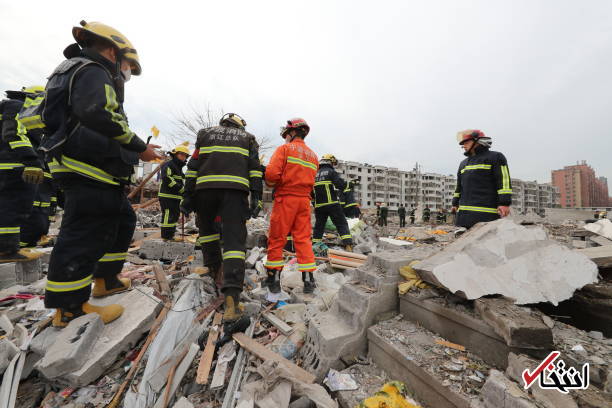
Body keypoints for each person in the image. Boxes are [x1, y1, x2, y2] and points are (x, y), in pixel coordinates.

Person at [42, 21, 162, 327]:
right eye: (127, 66)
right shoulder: (93, 71)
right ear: (112, 51)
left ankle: (106, 280)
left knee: (122, 220)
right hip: (87, 167)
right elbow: (100, 114)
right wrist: (139, 148)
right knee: (84, 234)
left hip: (94, 168)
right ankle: (69, 308)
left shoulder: (78, 70)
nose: (126, 74)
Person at [182, 113, 260, 333]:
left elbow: (193, 166)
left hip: (204, 192)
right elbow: (254, 169)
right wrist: (256, 197)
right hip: (234, 193)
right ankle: (232, 302)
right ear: (239, 126)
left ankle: (213, 272)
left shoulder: (204, 134)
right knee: (234, 243)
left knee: (207, 232)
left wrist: (187, 196)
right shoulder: (247, 138)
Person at [264, 119, 318, 293]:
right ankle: (308, 280)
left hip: (286, 198)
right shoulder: (313, 155)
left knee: (277, 238)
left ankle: (273, 279)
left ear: (293, 132)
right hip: (304, 202)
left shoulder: (284, 149)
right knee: (303, 239)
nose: (285, 138)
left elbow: (271, 175)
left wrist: (271, 181)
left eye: (286, 135)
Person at [0, 87, 45, 263]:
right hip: (13, 166)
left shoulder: (9, 106)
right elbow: (13, 133)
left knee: (10, 207)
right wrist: (31, 161)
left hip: (9, 165)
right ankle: (6, 250)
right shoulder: (18, 106)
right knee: (13, 207)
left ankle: (9, 247)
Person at [452, 130, 512, 229]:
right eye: (462, 144)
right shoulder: (463, 163)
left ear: (477, 141)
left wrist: (504, 203)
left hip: (486, 216)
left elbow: (503, 181)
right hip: (463, 217)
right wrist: (455, 203)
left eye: (466, 142)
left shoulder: (495, 157)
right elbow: (459, 186)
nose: (463, 146)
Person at [313, 154, 353, 251]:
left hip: (319, 206)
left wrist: (315, 204)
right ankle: (348, 245)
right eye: (333, 163)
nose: (333, 165)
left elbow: (311, 192)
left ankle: (314, 246)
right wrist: (350, 184)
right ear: (330, 161)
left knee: (319, 227)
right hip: (332, 204)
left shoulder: (314, 174)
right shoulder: (331, 172)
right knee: (341, 223)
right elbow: (340, 185)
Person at [159, 144, 190, 241]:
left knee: (174, 216)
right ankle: (166, 236)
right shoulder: (169, 165)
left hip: (175, 197)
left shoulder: (179, 168)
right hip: (167, 196)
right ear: (175, 154)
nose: (183, 157)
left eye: (185, 155)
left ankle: (170, 236)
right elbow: (167, 178)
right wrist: (180, 189)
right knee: (168, 215)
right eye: (181, 154)